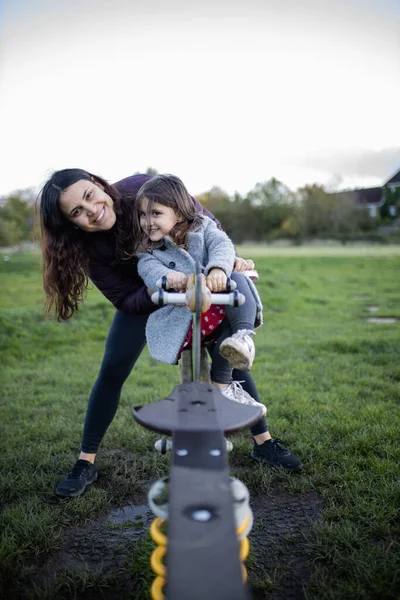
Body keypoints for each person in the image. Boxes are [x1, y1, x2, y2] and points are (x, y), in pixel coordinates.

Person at [38, 168, 303, 499]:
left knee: (229, 350)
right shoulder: (89, 249)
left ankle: (263, 442)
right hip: (149, 296)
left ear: (99, 185)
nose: (91, 211)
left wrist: (223, 264)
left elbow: (202, 221)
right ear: (71, 222)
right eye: (77, 211)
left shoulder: (141, 189)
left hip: (196, 280)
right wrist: (159, 290)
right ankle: (84, 461)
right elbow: (123, 298)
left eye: (90, 196)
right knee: (112, 369)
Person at [134, 174, 265, 417]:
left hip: (217, 311)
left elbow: (222, 245)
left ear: (179, 213)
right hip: (184, 319)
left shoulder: (203, 226)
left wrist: (218, 269)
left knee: (238, 281)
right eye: (143, 214)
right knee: (222, 326)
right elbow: (149, 270)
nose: (147, 222)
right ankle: (221, 388)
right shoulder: (148, 250)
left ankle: (242, 340)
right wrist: (169, 278)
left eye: (156, 214)